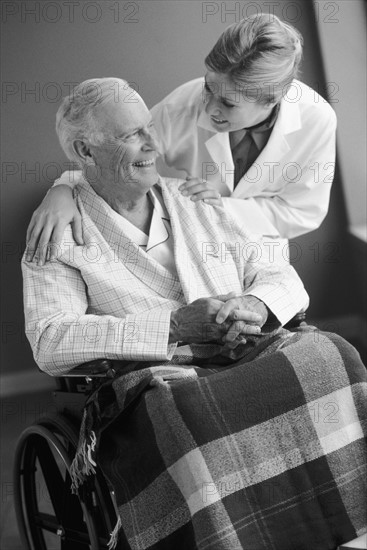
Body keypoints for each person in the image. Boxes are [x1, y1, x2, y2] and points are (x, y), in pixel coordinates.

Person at [22, 79, 366, 550]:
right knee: (186, 415)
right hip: (157, 374)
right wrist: (175, 326)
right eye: (131, 136)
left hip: (243, 347)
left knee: (332, 355)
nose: (152, 144)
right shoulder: (57, 232)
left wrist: (257, 304)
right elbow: (51, 339)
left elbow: (278, 273)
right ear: (85, 150)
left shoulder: (195, 196)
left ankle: (343, 525)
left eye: (149, 128)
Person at [25, 13, 337, 265]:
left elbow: (303, 212)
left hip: (263, 253)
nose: (210, 107)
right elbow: (118, 155)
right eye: (208, 87)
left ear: (272, 99)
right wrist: (63, 190)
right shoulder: (182, 107)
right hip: (193, 254)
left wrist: (219, 206)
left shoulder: (317, 120)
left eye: (228, 104)